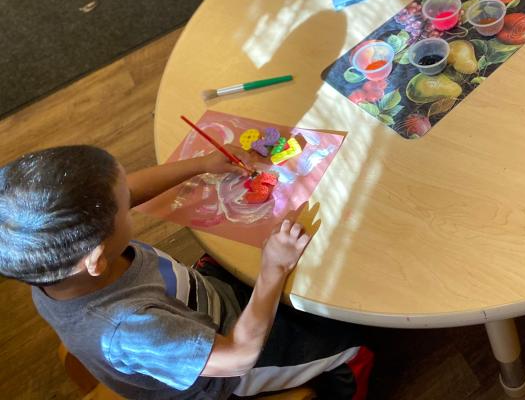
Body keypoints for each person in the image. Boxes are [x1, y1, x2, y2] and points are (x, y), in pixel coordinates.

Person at [0, 145, 373, 399]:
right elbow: (239, 355)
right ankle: (343, 377)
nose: (131, 199)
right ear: (97, 259)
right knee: (354, 338)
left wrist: (201, 165)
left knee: (233, 255)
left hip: (195, 305)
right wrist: (273, 268)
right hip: (227, 371)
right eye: (124, 207)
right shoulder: (129, 328)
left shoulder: (53, 270)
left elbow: (125, 189)